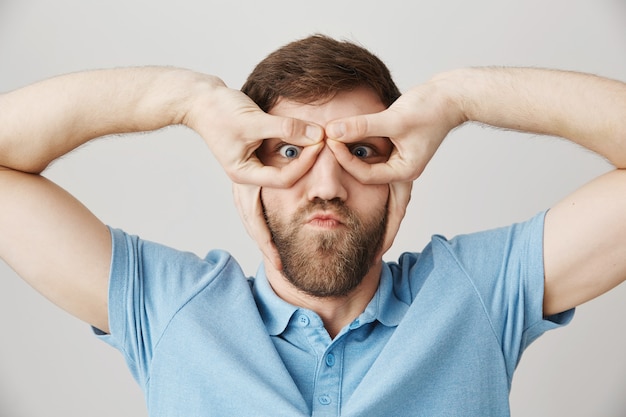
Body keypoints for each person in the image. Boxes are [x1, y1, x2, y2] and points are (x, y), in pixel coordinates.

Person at [0, 34, 625, 416]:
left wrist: (458, 98)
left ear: (401, 179)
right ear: (246, 178)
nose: (326, 184)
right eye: (290, 153)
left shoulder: (476, 296)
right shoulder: (171, 310)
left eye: (362, 152)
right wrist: (186, 99)